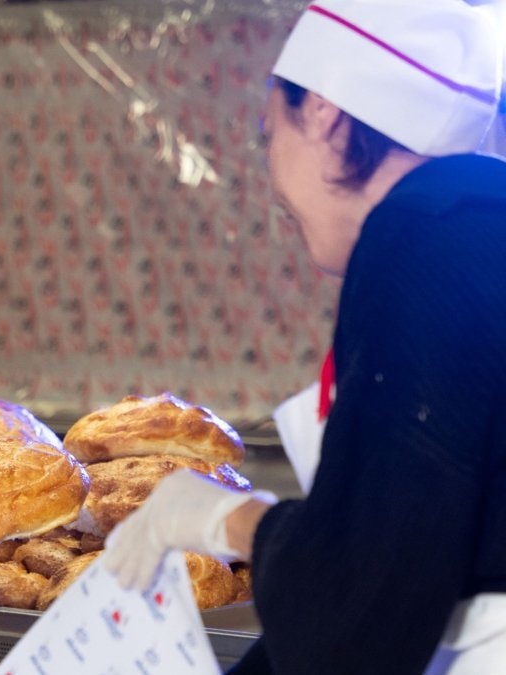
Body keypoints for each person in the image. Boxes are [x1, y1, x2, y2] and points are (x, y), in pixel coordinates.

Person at [101, 1, 506, 673]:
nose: (270, 179)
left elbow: (359, 607)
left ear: (323, 110)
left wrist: (225, 518)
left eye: (268, 132)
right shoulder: (476, 224)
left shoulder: (419, 238)